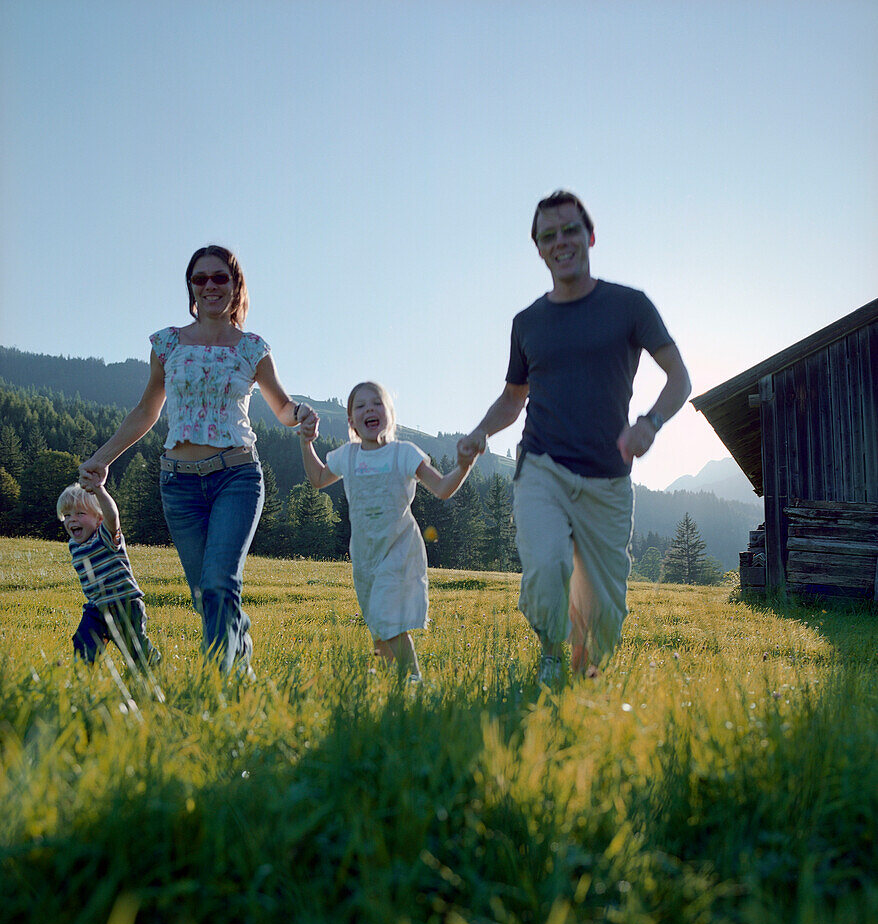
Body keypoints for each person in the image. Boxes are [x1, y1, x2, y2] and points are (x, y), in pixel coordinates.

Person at [458, 190, 692, 684]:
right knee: (546, 567)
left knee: (603, 616)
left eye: (569, 230)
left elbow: (679, 378)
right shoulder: (528, 323)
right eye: (549, 236)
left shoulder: (629, 306)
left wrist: (649, 423)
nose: (560, 242)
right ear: (538, 249)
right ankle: (549, 656)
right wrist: (480, 432)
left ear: (590, 235)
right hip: (542, 467)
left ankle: (585, 679)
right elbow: (512, 398)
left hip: (608, 479)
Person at [79, 245, 311, 674]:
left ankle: (219, 686)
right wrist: (103, 457)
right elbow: (148, 409)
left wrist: (301, 416)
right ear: (190, 286)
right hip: (179, 484)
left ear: (235, 284)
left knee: (221, 583)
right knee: (205, 592)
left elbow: (282, 406)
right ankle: (238, 663)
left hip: (236, 477)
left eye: (219, 278)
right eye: (200, 278)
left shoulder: (252, 348)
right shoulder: (168, 344)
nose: (209, 286)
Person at [298, 381, 476, 680]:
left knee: (389, 618)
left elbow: (442, 488)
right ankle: (391, 684)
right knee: (378, 625)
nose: (370, 408)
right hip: (366, 556)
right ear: (352, 422)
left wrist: (464, 466)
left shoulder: (403, 454)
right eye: (360, 406)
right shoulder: (348, 456)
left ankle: (415, 681)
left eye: (377, 403)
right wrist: (306, 443)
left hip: (400, 551)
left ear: (390, 414)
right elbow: (317, 478)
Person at [58, 481, 160, 667]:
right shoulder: (74, 545)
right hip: (97, 608)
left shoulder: (105, 536)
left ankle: (154, 668)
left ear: (99, 519)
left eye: (80, 513)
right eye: (67, 515)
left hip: (125, 606)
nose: (72, 519)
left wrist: (98, 489)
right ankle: (83, 679)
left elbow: (113, 515)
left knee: (137, 653)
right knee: (83, 643)